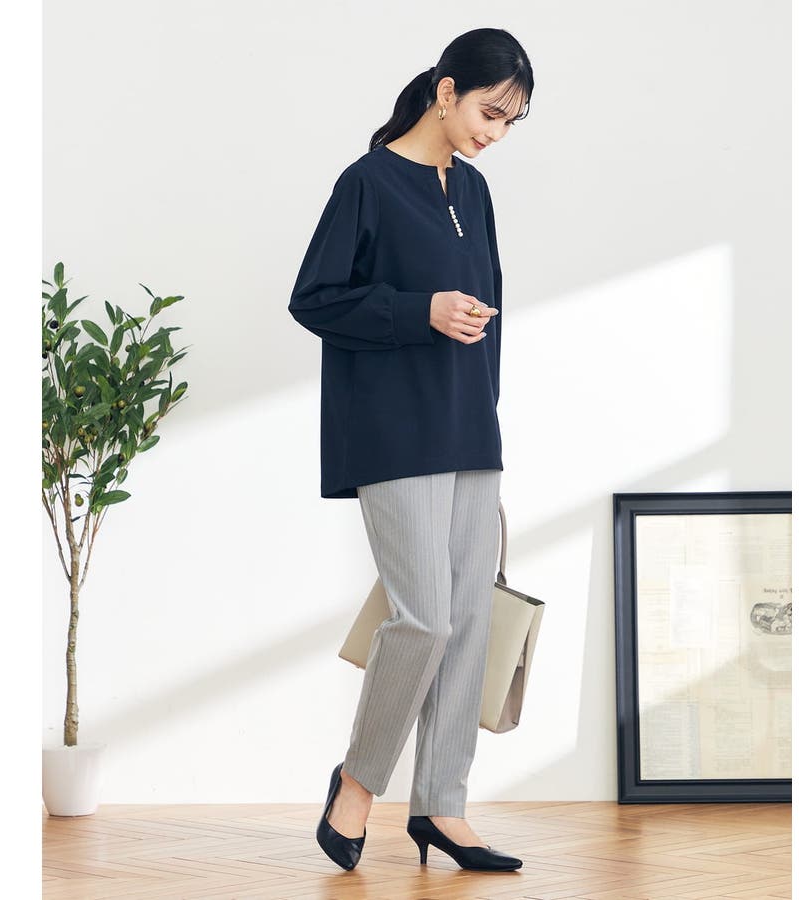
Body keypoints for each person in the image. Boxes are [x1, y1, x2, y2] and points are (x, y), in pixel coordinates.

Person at [288, 27, 534, 872]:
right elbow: (315, 298)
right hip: (392, 430)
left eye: (510, 122)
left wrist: (486, 416)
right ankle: (358, 783)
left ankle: (442, 807)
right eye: (489, 112)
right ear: (446, 89)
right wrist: (419, 310)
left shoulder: (475, 190)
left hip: (468, 427)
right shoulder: (367, 182)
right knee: (423, 617)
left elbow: (492, 310)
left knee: (467, 622)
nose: (495, 133)